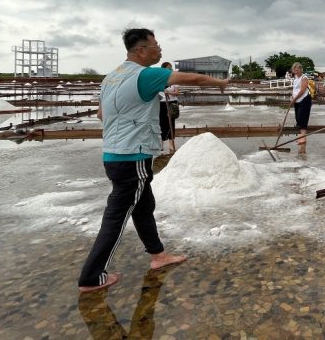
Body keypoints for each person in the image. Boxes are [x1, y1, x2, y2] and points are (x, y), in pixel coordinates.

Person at [78, 28, 228, 293]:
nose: (160, 51)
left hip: (115, 153)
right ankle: (91, 276)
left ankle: (158, 256)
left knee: (144, 205)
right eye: (156, 46)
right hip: (131, 156)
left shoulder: (111, 77)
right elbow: (192, 78)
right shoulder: (145, 74)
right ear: (141, 51)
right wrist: (220, 83)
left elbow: (102, 114)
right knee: (117, 215)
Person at [158, 62, 179, 154]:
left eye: (171, 68)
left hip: (172, 104)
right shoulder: (159, 79)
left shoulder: (174, 79)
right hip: (162, 103)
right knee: (161, 123)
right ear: (163, 69)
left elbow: (177, 92)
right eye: (169, 68)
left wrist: (169, 92)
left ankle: (171, 144)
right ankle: (161, 144)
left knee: (171, 123)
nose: (171, 70)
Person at [290, 62, 312, 145]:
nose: (296, 72)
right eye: (294, 70)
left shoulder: (304, 78)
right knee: (298, 118)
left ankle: (303, 137)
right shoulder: (295, 77)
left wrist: (294, 99)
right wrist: (293, 98)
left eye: (297, 70)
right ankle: (301, 137)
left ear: (301, 69)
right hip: (297, 100)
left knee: (302, 118)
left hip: (304, 99)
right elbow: (295, 89)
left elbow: (302, 91)